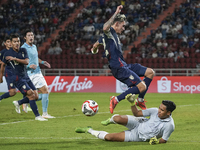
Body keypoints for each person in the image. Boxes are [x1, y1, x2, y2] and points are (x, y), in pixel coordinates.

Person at [91, 5, 155, 113]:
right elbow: (105, 27)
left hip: (124, 65)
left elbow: (95, 45)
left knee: (150, 72)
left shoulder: (108, 36)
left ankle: (140, 100)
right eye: (123, 26)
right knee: (142, 87)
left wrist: (95, 49)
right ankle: (115, 99)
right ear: (116, 24)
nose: (124, 28)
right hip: (118, 67)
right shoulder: (110, 32)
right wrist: (116, 12)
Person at [75, 94, 176, 144]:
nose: (159, 110)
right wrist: (132, 103)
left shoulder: (170, 125)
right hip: (139, 123)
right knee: (117, 119)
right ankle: (111, 120)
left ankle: (89, 130)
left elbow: (164, 140)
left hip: (138, 136)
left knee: (108, 138)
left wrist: (156, 141)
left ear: (168, 113)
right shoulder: (154, 111)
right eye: (159, 107)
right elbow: (137, 114)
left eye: (162, 110)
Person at [0, 33, 47, 121]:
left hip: (26, 76)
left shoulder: (23, 50)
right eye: (14, 42)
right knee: (31, 95)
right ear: (11, 43)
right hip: (17, 78)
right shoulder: (7, 53)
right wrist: (1, 76)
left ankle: (19, 103)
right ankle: (37, 116)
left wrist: (15, 59)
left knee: (36, 96)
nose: (17, 43)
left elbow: (26, 61)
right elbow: (3, 64)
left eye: (18, 41)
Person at [21, 29, 55, 119]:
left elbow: (36, 58)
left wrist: (43, 62)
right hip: (30, 73)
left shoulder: (34, 46)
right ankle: (43, 112)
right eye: (28, 35)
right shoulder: (23, 48)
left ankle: (26, 102)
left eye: (32, 35)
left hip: (37, 72)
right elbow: (21, 62)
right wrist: (29, 66)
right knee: (43, 92)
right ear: (25, 38)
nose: (31, 37)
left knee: (45, 92)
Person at [0, 35, 17, 101]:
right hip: (9, 73)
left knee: (27, 90)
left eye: (10, 42)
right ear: (5, 43)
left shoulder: (16, 51)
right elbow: (2, 63)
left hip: (18, 73)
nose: (10, 43)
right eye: (8, 42)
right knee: (13, 92)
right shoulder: (3, 52)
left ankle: (24, 104)